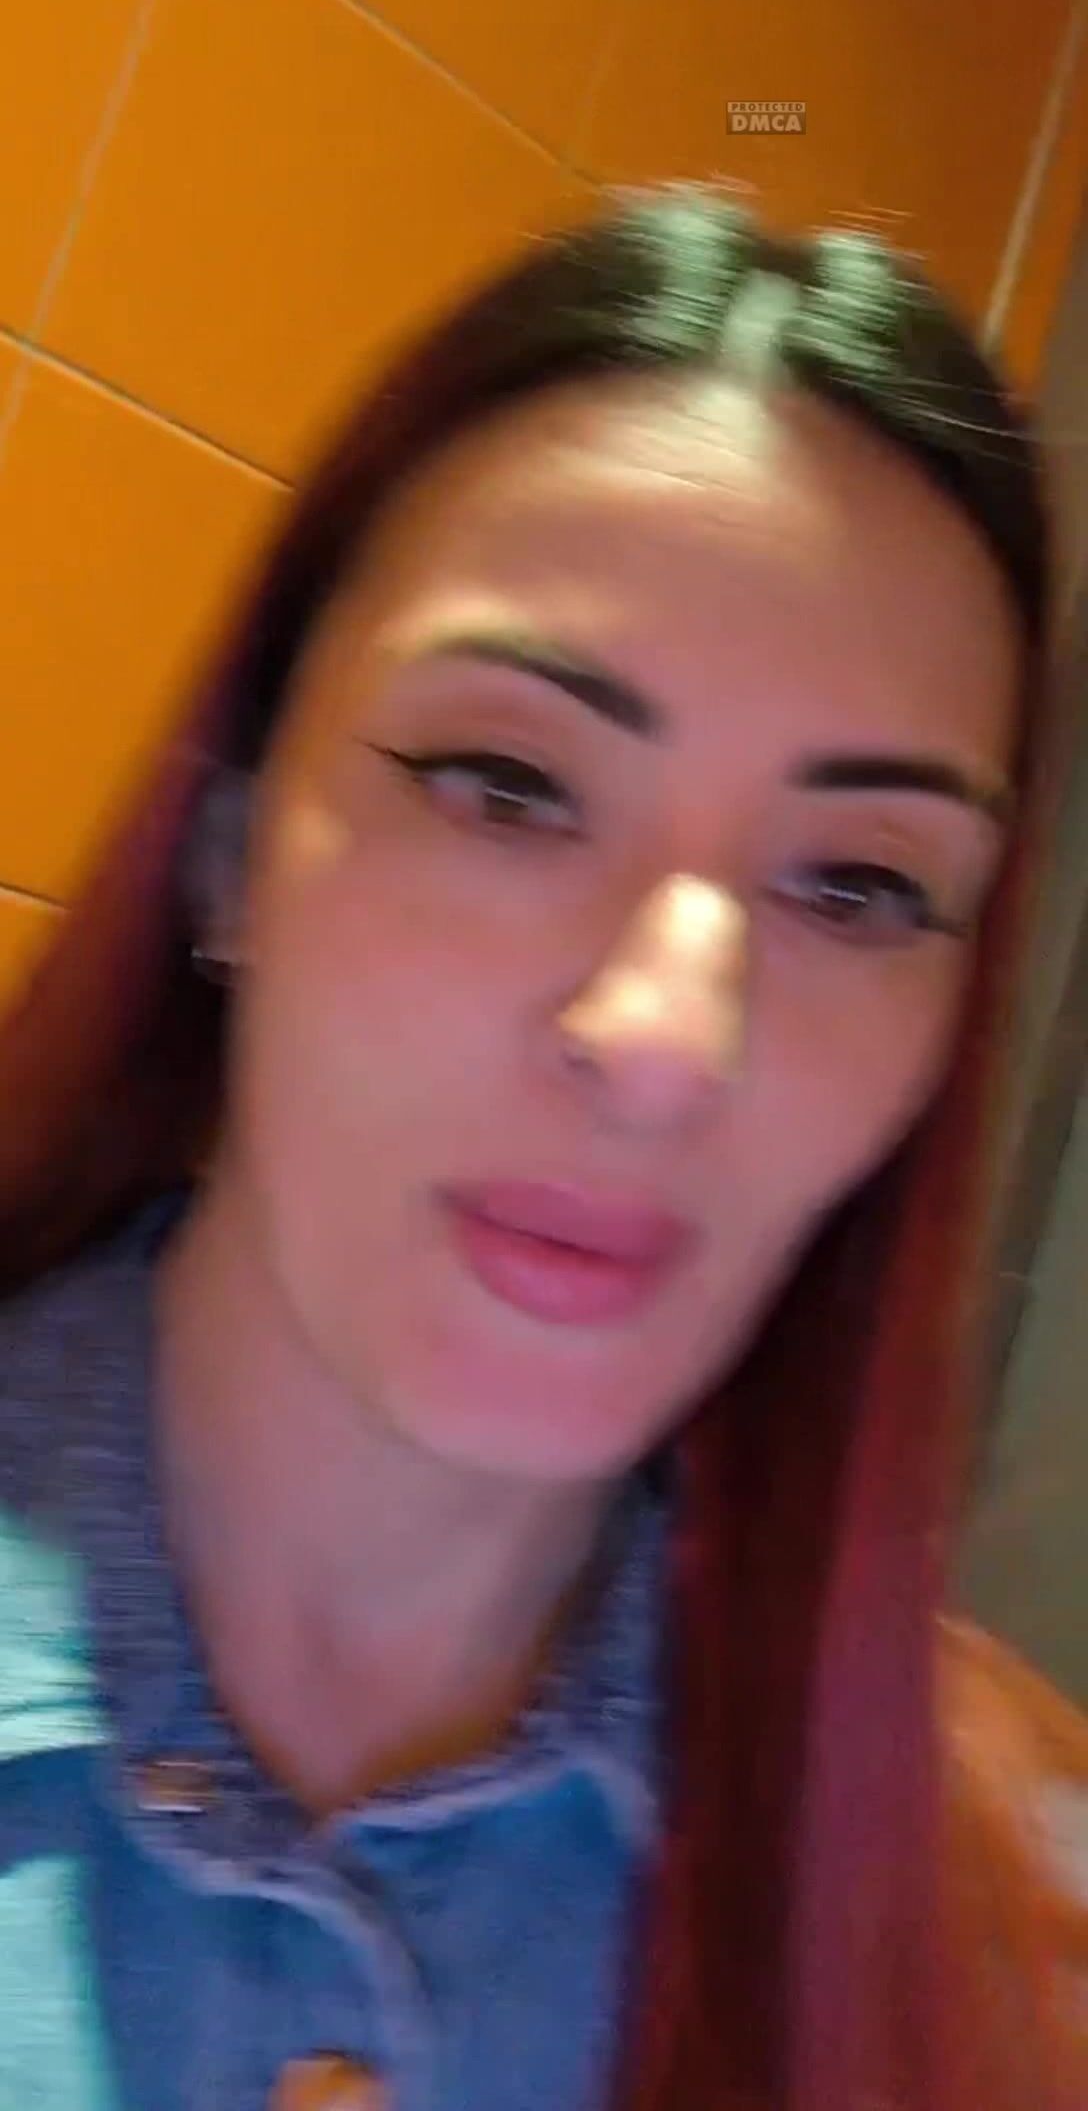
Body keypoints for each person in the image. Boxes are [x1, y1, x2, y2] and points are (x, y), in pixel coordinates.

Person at [0, 187, 1083, 2111]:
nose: (665, 1039)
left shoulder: (999, 1920)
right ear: (230, 848)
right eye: (506, 786)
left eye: (857, 885)